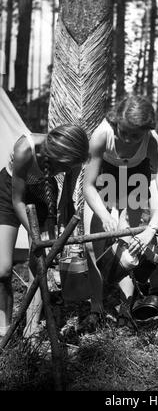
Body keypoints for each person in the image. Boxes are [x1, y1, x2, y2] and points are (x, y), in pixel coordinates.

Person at [83, 95, 158, 329]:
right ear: (116, 122)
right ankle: (96, 307)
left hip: (135, 180)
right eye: (125, 132)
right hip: (105, 179)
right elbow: (88, 186)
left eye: (136, 135)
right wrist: (105, 215)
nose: (130, 140)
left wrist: (151, 229)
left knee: (131, 244)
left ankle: (125, 307)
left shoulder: (152, 141)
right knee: (93, 245)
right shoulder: (102, 135)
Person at [0, 124, 89, 339]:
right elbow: (18, 201)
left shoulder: (73, 156)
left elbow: (66, 199)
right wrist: (35, 234)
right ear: (56, 153)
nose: (66, 170)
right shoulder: (26, 149)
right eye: (64, 165)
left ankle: (30, 332)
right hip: (9, 193)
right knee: (2, 270)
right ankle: (4, 328)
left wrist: (60, 232)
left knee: (39, 266)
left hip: (43, 196)